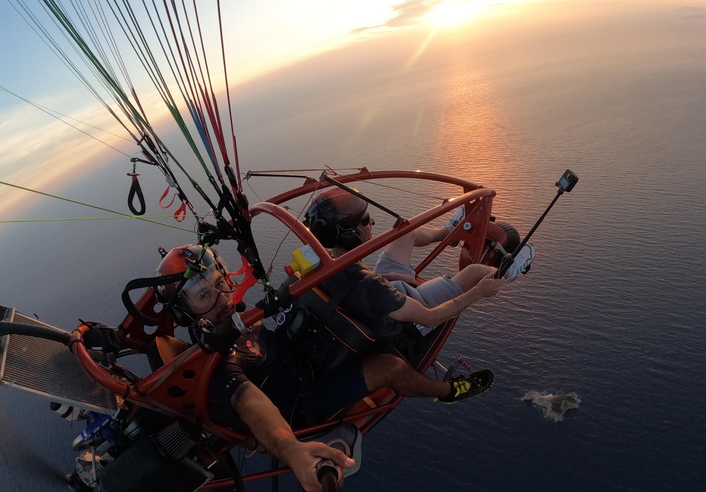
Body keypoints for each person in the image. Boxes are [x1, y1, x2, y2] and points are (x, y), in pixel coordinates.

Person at [167, 244, 505, 492]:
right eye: (202, 295)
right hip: (305, 403)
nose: (221, 297)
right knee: (389, 366)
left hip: (302, 365)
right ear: (185, 313)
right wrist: (293, 450)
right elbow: (249, 403)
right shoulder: (216, 363)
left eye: (217, 280)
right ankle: (448, 391)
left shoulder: (238, 326)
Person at [303, 188, 535, 341]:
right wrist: (478, 292)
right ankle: (507, 272)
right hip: (410, 319)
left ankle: (448, 231)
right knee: (474, 272)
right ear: (349, 236)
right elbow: (429, 318)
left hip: (383, 292)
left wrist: (393, 277)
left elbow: (358, 285)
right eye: (365, 221)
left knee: (404, 233)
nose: (372, 220)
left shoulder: (329, 261)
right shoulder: (369, 288)